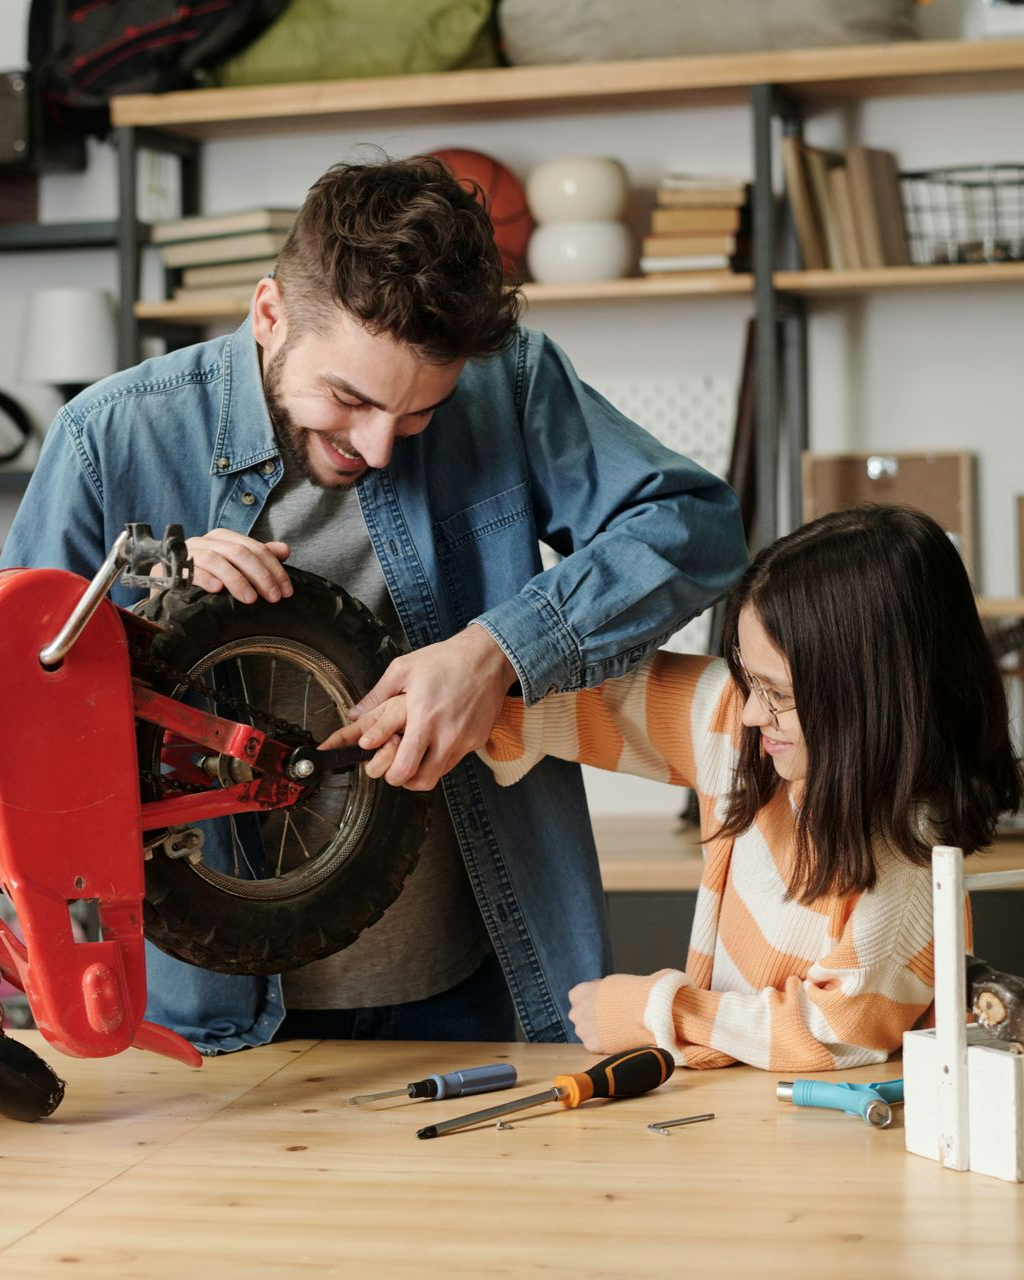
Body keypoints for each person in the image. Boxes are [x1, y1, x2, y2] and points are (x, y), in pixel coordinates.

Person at [0, 156, 746, 1052]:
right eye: (347, 400)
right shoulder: (110, 439)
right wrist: (136, 609)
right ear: (269, 314)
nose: (380, 448)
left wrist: (499, 651)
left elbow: (695, 529)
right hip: (206, 1021)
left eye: (420, 414)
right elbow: (17, 718)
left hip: (464, 990)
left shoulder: (508, 386)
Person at [338, 505, 1023, 1070]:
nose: (752, 712)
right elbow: (587, 702)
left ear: (871, 701)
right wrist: (443, 703)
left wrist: (657, 1010)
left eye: (777, 695)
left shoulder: (911, 866)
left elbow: (832, 1031)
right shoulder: (742, 723)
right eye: (749, 681)